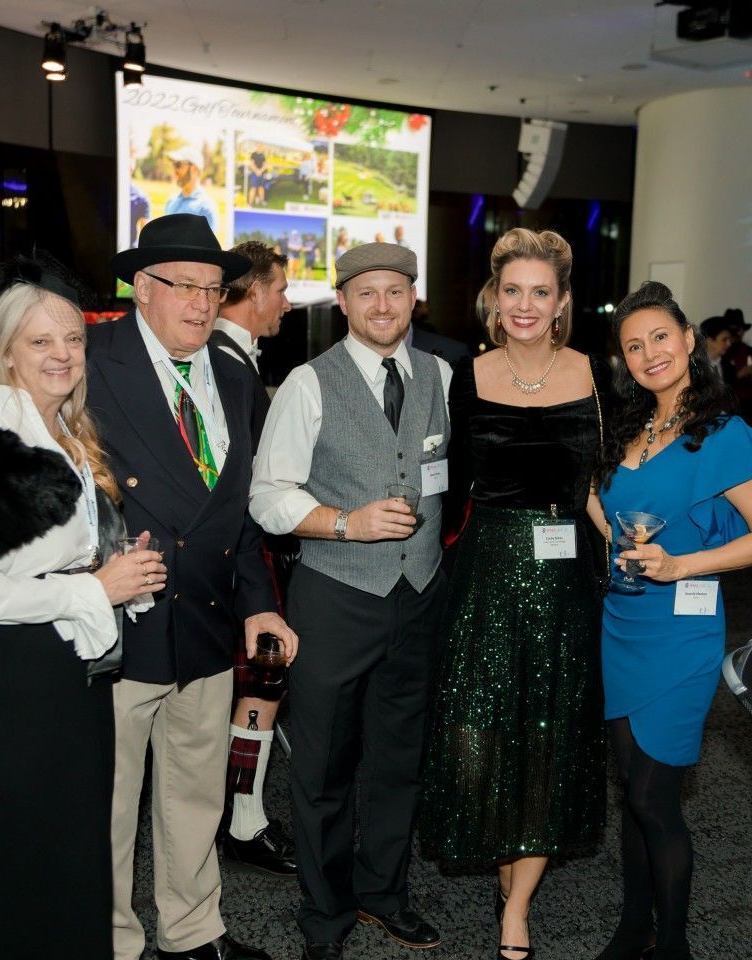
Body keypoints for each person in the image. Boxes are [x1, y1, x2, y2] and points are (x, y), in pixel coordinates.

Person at [0, 214, 294, 960]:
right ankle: (112, 942)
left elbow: (238, 506)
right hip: (110, 641)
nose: (201, 303)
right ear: (141, 290)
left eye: (214, 289)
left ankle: (192, 931)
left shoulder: (235, 371)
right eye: (183, 286)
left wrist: (259, 602)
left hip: (206, 621)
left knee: (195, 792)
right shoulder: (85, 358)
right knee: (104, 809)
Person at [0, 254, 169, 959]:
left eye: (73, 339)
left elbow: (49, 558)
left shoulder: (67, 435)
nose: (62, 354)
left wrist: (117, 577)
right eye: (40, 342)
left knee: (70, 866)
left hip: (58, 680)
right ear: (7, 354)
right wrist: (96, 590)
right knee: (14, 879)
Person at [250, 243, 452, 960]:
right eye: (366, 293)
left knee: (400, 762)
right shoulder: (309, 384)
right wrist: (345, 522)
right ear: (343, 302)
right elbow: (268, 497)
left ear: (412, 299)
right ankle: (326, 912)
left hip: (418, 596)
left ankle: (384, 894)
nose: (382, 306)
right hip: (335, 597)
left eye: (395, 292)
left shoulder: (441, 376)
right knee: (325, 768)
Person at [418, 228, 606, 960]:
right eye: (512, 291)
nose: (524, 305)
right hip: (488, 573)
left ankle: (518, 905)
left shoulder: (594, 372)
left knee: (552, 730)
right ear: (493, 300)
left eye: (540, 292)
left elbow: (595, 486)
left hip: (563, 579)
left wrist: (624, 543)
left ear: (561, 303)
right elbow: (442, 481)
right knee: (481, 731)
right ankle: (504, 860)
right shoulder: (464, 374)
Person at [589, 280, 752, 960]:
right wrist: (614, 539)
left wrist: (682, 565)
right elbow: (599, 496)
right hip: (622, 622)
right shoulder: (631, 428)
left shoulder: (721, 434)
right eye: (633, 346)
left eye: (660, 338)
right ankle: (633, 925)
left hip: (681, 630)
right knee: (634, 792)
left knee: (654, 795)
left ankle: (672, 945)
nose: (650, 354)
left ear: (689, 342)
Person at [210, 239, 298, 877]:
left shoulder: (224, 359)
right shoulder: (229, 365)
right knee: (260, 684)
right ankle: (243, 822)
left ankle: (241, 817)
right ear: (252, 291)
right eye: (281, 289)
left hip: (233, 553)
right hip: (242, 555)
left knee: (255, 686)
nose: (288, 303)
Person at [719, 309, 752, 431]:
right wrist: (737, 375)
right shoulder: (719, 354)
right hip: (723, 410)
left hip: (749, 412)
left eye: (737, 329)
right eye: (731, 330)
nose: (734, 334)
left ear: (743, 330)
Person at [166, 146, 219, 231]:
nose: (174, 170)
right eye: (174, 165)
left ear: (194, 169)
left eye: (178, 165)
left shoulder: (206, 207)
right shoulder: (170, 202)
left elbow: (207, 244)